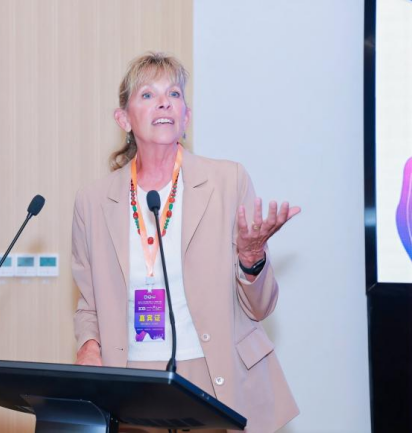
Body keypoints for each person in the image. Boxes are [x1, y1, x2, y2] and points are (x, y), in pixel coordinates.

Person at [71, 52, 300, 433]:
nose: (164, 102)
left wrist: (252, 257)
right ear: (123, 119)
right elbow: (88, 304)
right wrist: (88, 346)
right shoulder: (93, 201)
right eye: (148, 94)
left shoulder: (228, 182)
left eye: (173, 94)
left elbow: (261, 308)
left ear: (186, 116)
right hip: (130, 383)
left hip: (217, 377)